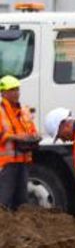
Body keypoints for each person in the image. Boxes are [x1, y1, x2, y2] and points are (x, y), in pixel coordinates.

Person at [0, 76, 40, 210]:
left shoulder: (24, 112)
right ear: (3, 93)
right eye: (12, 90)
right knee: (4, 200)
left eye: (17, 89)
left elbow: (32, 130)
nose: (16, 93)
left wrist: (35, 136)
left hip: (23, 160)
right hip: (7, 163)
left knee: (22, 201)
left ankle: (20, 229)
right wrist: (17, 138)